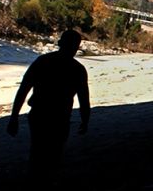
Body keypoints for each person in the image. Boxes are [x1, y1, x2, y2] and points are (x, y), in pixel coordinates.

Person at [7, 29, 91, 187]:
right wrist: (85, 120)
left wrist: (14, 117)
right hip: (61, 118)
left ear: (59, 44)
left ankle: (34, 182)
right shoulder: (78, 70)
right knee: (54, 154)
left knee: (37, 151)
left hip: (39, 115)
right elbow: (84, 99)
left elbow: (23, 89)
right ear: (77, 47)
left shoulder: (42, 61)